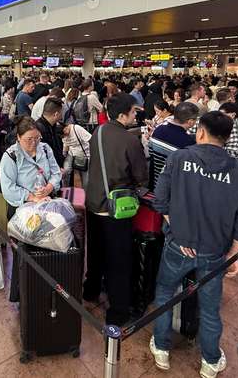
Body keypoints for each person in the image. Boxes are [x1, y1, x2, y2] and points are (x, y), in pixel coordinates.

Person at [149, 111, 238, 378]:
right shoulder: (237, 171)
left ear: (200, 132)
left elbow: (160, 199)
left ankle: (161, 348)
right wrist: (234, 253)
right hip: (214, 251)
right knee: (210, 307)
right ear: (229, 137)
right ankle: (210, 360)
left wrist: (178, 230)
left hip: (177, 246)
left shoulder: (180, 158)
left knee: (164, 293)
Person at [84, 93, 148, 325]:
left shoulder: (97, 132)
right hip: (116, 208)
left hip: (93, 203)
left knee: (96, 251)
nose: (134, 116)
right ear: (122, 114)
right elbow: (141, 176)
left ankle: (90, 290)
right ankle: (118, 311)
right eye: (132, 112)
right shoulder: (130, 140)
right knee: (119, 261)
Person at [0, 116, 62, 300]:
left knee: (47, 250)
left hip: (46, 206)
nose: (33, 143)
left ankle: (44, 289)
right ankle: (23, 294)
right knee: (24, 254)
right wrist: (32, 197)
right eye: (29, 139)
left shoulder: (45, 149)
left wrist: (49, 188)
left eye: (37, 138)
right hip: (23, 211)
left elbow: (56, 172)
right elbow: (8, 189)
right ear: (18, 137)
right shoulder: (11, 156)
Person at [35, 97, 65, 168]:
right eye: (62, 112)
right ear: (56, 114)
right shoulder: (40, 130)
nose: (63, 114)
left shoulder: (51, 126)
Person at [61, 121, 91, 187]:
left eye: (65, 133)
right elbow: (65, 144)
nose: (65, 135)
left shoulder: (76, 128)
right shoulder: (62, 135)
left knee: (85, 177)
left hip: (83, 155)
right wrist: (64, 154)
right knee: (66, 171)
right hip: (71, 154)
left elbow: (90, 139)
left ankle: (87, 193)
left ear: (66, 127)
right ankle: (66, 189)